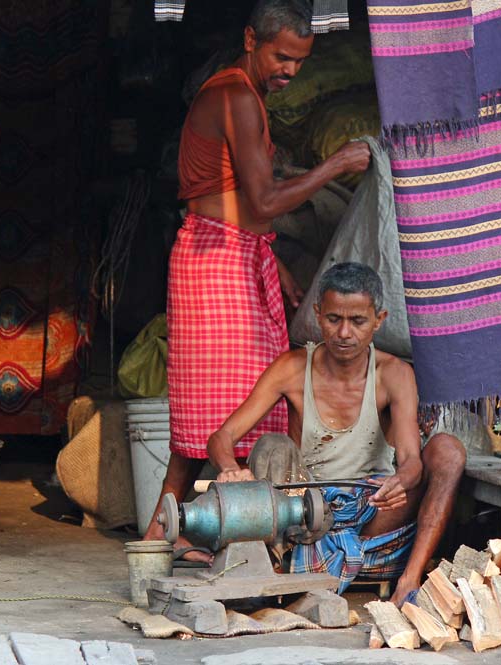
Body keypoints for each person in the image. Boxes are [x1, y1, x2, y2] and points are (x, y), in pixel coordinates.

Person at [143, 0, 372, 563]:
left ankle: (164, 532)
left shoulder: (248, 96)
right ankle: (210, 533)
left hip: (236, 252)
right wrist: (335, 166)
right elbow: (264, 199)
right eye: (282, 56)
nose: (290, 70)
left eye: (300, 60)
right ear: (251, 39)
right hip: (214, 258)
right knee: (236, 405)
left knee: (222, 406)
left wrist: (278, 265)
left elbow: (247, 209)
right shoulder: (236, 96)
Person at [206, 263, 466, 605]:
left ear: (379, 319)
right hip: (305, 514)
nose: (344, 333)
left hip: (373, 509)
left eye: (358, 321)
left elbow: (410, 461)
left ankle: (409, 580)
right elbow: (222, 437)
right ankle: (275, 561)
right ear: (317, 315)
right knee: (273, 445)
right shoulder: (292, 368)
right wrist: (229, 468)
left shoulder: (394, 374)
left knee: (448, 450)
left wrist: (399, 482)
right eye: (333, 319)